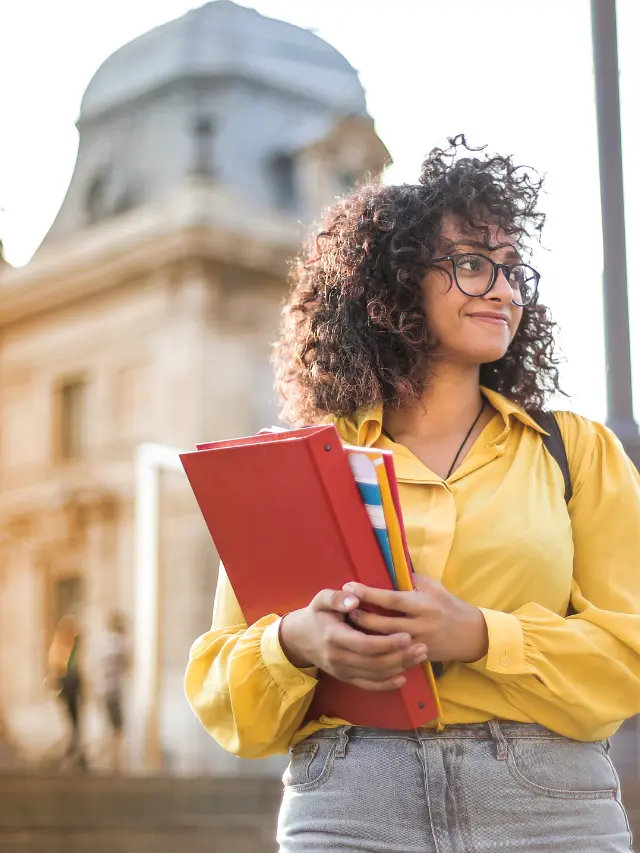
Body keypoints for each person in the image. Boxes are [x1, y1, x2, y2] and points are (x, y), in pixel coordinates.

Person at [185, 136, 640, 852]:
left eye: (513, 269)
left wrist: (482, 634)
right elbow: (224, 689)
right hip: (349, 802)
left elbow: (632, 649)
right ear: (394, 283)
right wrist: (298, 641)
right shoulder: (301, 462)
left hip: (548, 807)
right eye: (470, 263)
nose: (502, 288)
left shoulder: (577, 451)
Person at [47, 614, 87, 771]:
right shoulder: (65, 644)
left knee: (74, 717)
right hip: (69, 682)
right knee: (73, 717)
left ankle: (74, 746)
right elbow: (57, 665)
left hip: (71, 682)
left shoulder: (71, 644)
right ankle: (74, 746)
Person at [99, 611, 129, 773]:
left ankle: (112, 760)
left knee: (111, 726)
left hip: (105, 689)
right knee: (117, 728)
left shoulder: (105, 642)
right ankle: (115, 761)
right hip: (113, 690)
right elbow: (125, 664)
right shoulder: (118, 643)